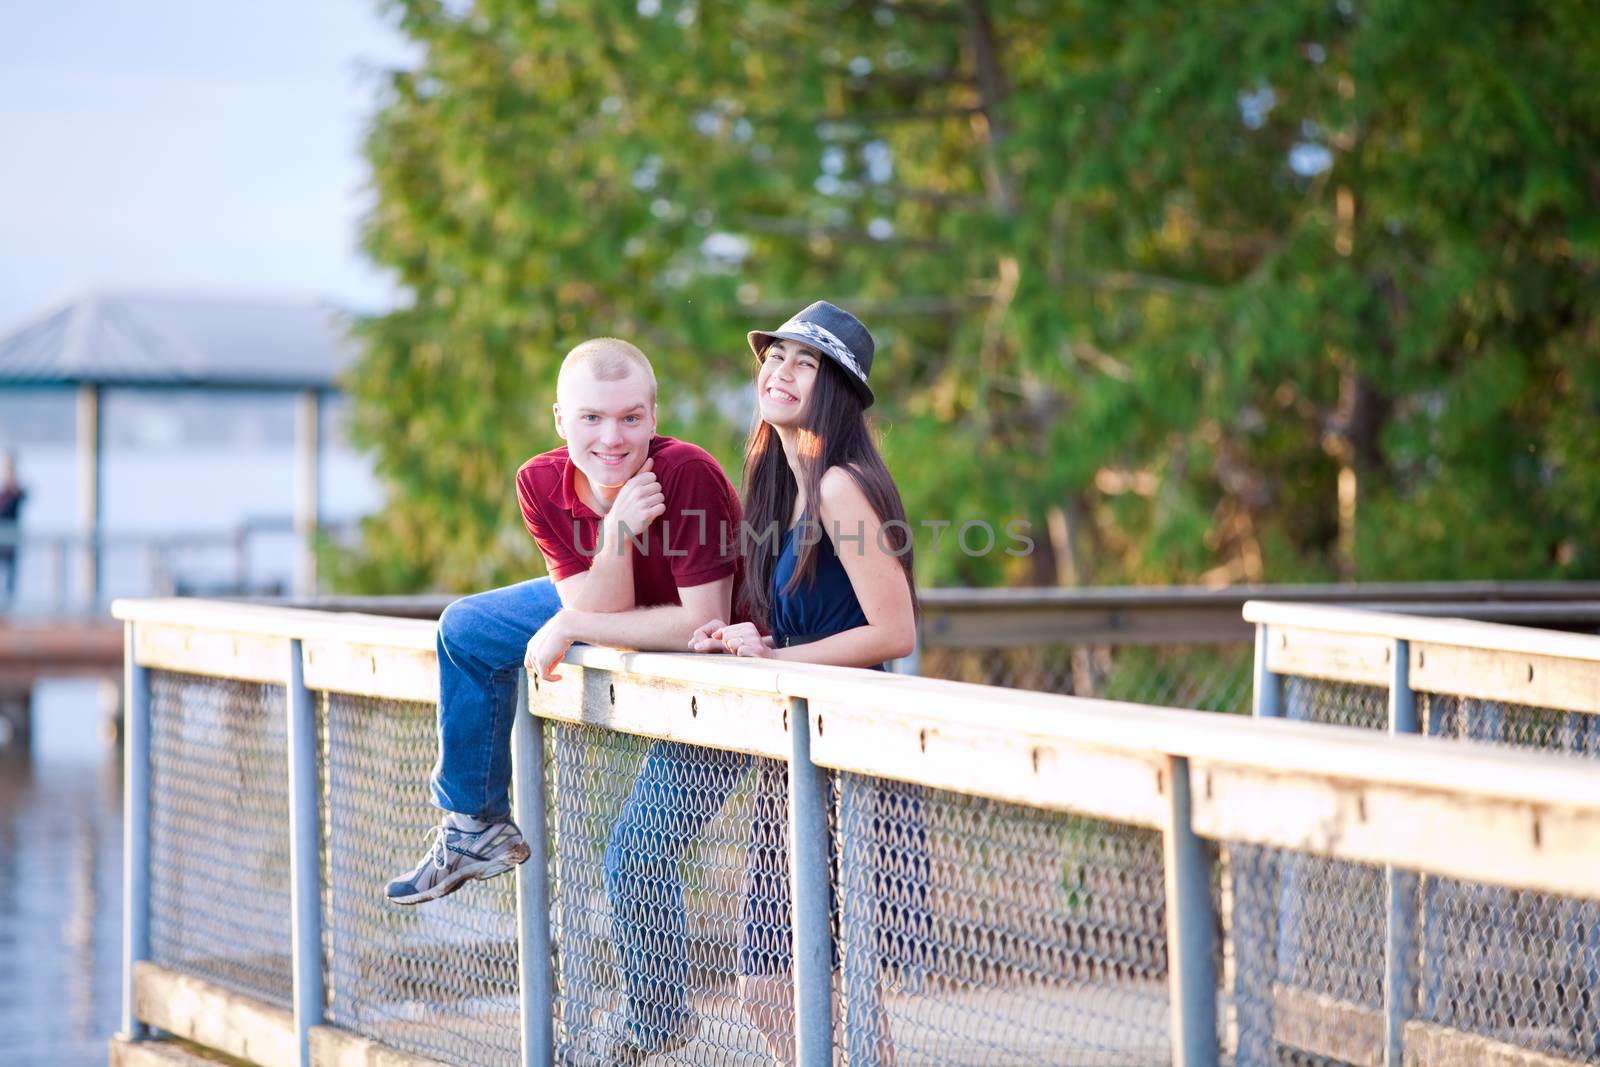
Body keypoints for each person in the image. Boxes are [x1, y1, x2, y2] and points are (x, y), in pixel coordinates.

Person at [385, 337, 743, 1063]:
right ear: (560, 420)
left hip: (714, 672)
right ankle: (473, 823)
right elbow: (592, 600)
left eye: (630, 418)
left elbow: (697, 623)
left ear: (653, 417)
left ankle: (656, 1019)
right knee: (466, 628)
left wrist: (574, 621)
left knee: (635, 855)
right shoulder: (541, 481)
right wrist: (613, 536)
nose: (612, 438)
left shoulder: (688, 474)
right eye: (592, 419)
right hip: (620, 609)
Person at [687, 300, 922, 1063]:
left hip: (852, 758)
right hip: (797, 758)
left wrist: (777, 661)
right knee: (773, 985)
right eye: (774, 356)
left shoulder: (840, 489)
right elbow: (806, 619)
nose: (780, 371)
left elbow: (894, 631)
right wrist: (744, 638)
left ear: (837, 391)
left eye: (805, 362)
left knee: (834, 992)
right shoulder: (781, 486)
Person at [0, 453, 25, 613]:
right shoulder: (5, 492)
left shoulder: (15, 492)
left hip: (12, 540)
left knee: (10, 577)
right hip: (3, 540)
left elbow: (22, 497)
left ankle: (8, 606)